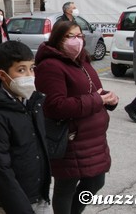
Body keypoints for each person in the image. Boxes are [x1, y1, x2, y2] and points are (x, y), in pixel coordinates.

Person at [34, 21, 119, 214]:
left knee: (95, 181)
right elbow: (55, 106)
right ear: (57, 39)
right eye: (70, 36)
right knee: (66, 187)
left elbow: (92, 91)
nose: (77, 41)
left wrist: (108, 98)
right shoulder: (50, 66)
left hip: (92, 138)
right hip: (70, 138)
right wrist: (97, 100)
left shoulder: (82, 60)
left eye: (79, 36)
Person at [0, 41, 51, 214]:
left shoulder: (32, 103)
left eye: (32, 68)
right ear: (2, 75)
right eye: (21, 70)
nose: (30, 75)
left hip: (37, 195)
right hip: (9, 205)